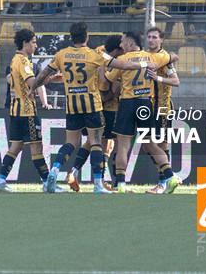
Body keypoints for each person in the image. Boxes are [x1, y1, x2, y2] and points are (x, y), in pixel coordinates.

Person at [31, 22, 157, 194]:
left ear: (71, 37)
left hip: (72, 105)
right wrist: (144, 65)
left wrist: (32, 88)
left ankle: (54, 169)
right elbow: (123, 65)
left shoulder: (61, 54)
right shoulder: (95, 55)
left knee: (70, 143)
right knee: (96, 142)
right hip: (92, 105)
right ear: (87, 37)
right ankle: (98, 184)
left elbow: (44, 74)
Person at [105, 32, 179, 194]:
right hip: (145, 103)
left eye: (123, 42)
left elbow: (108, 79)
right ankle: (170, 176)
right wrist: (170, 58)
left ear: (130, 43)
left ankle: (121, 184)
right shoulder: (153, 57)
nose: (121, 45)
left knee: (123, 145)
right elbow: (172, 57)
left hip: (127, 103)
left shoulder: (122, 60)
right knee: (150, 143)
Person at [0, 28, 61, 193]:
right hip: (27, 111)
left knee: (15, 147)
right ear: (25, 43)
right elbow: (32, 83)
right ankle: (47, 183)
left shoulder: (14, 60)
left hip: (15, 111)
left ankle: (0, 180)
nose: (36, 45)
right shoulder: (23, 62)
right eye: (33, 42)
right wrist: (50, 79)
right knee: (37, 148)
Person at [64, 34, 124, 192]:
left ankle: (74, 172)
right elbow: (105, 90)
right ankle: (103, 181)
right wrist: (118, 88)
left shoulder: (98, 51)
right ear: (118, 48)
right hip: (106, 107)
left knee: (94, 142)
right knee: (104, 144)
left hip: (89, 104)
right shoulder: (113, 61)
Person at [145, 27, 181, 194]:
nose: (151, 40)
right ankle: (168, 177)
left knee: (160, 144)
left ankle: (163, 183)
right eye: (149, 37)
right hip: (148, 108)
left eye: (154, 37)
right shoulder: (146, 57)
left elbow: (176, 81)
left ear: (161, 40)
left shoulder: (165, 59)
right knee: (148, 146)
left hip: (163, 107)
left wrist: (158, 78)